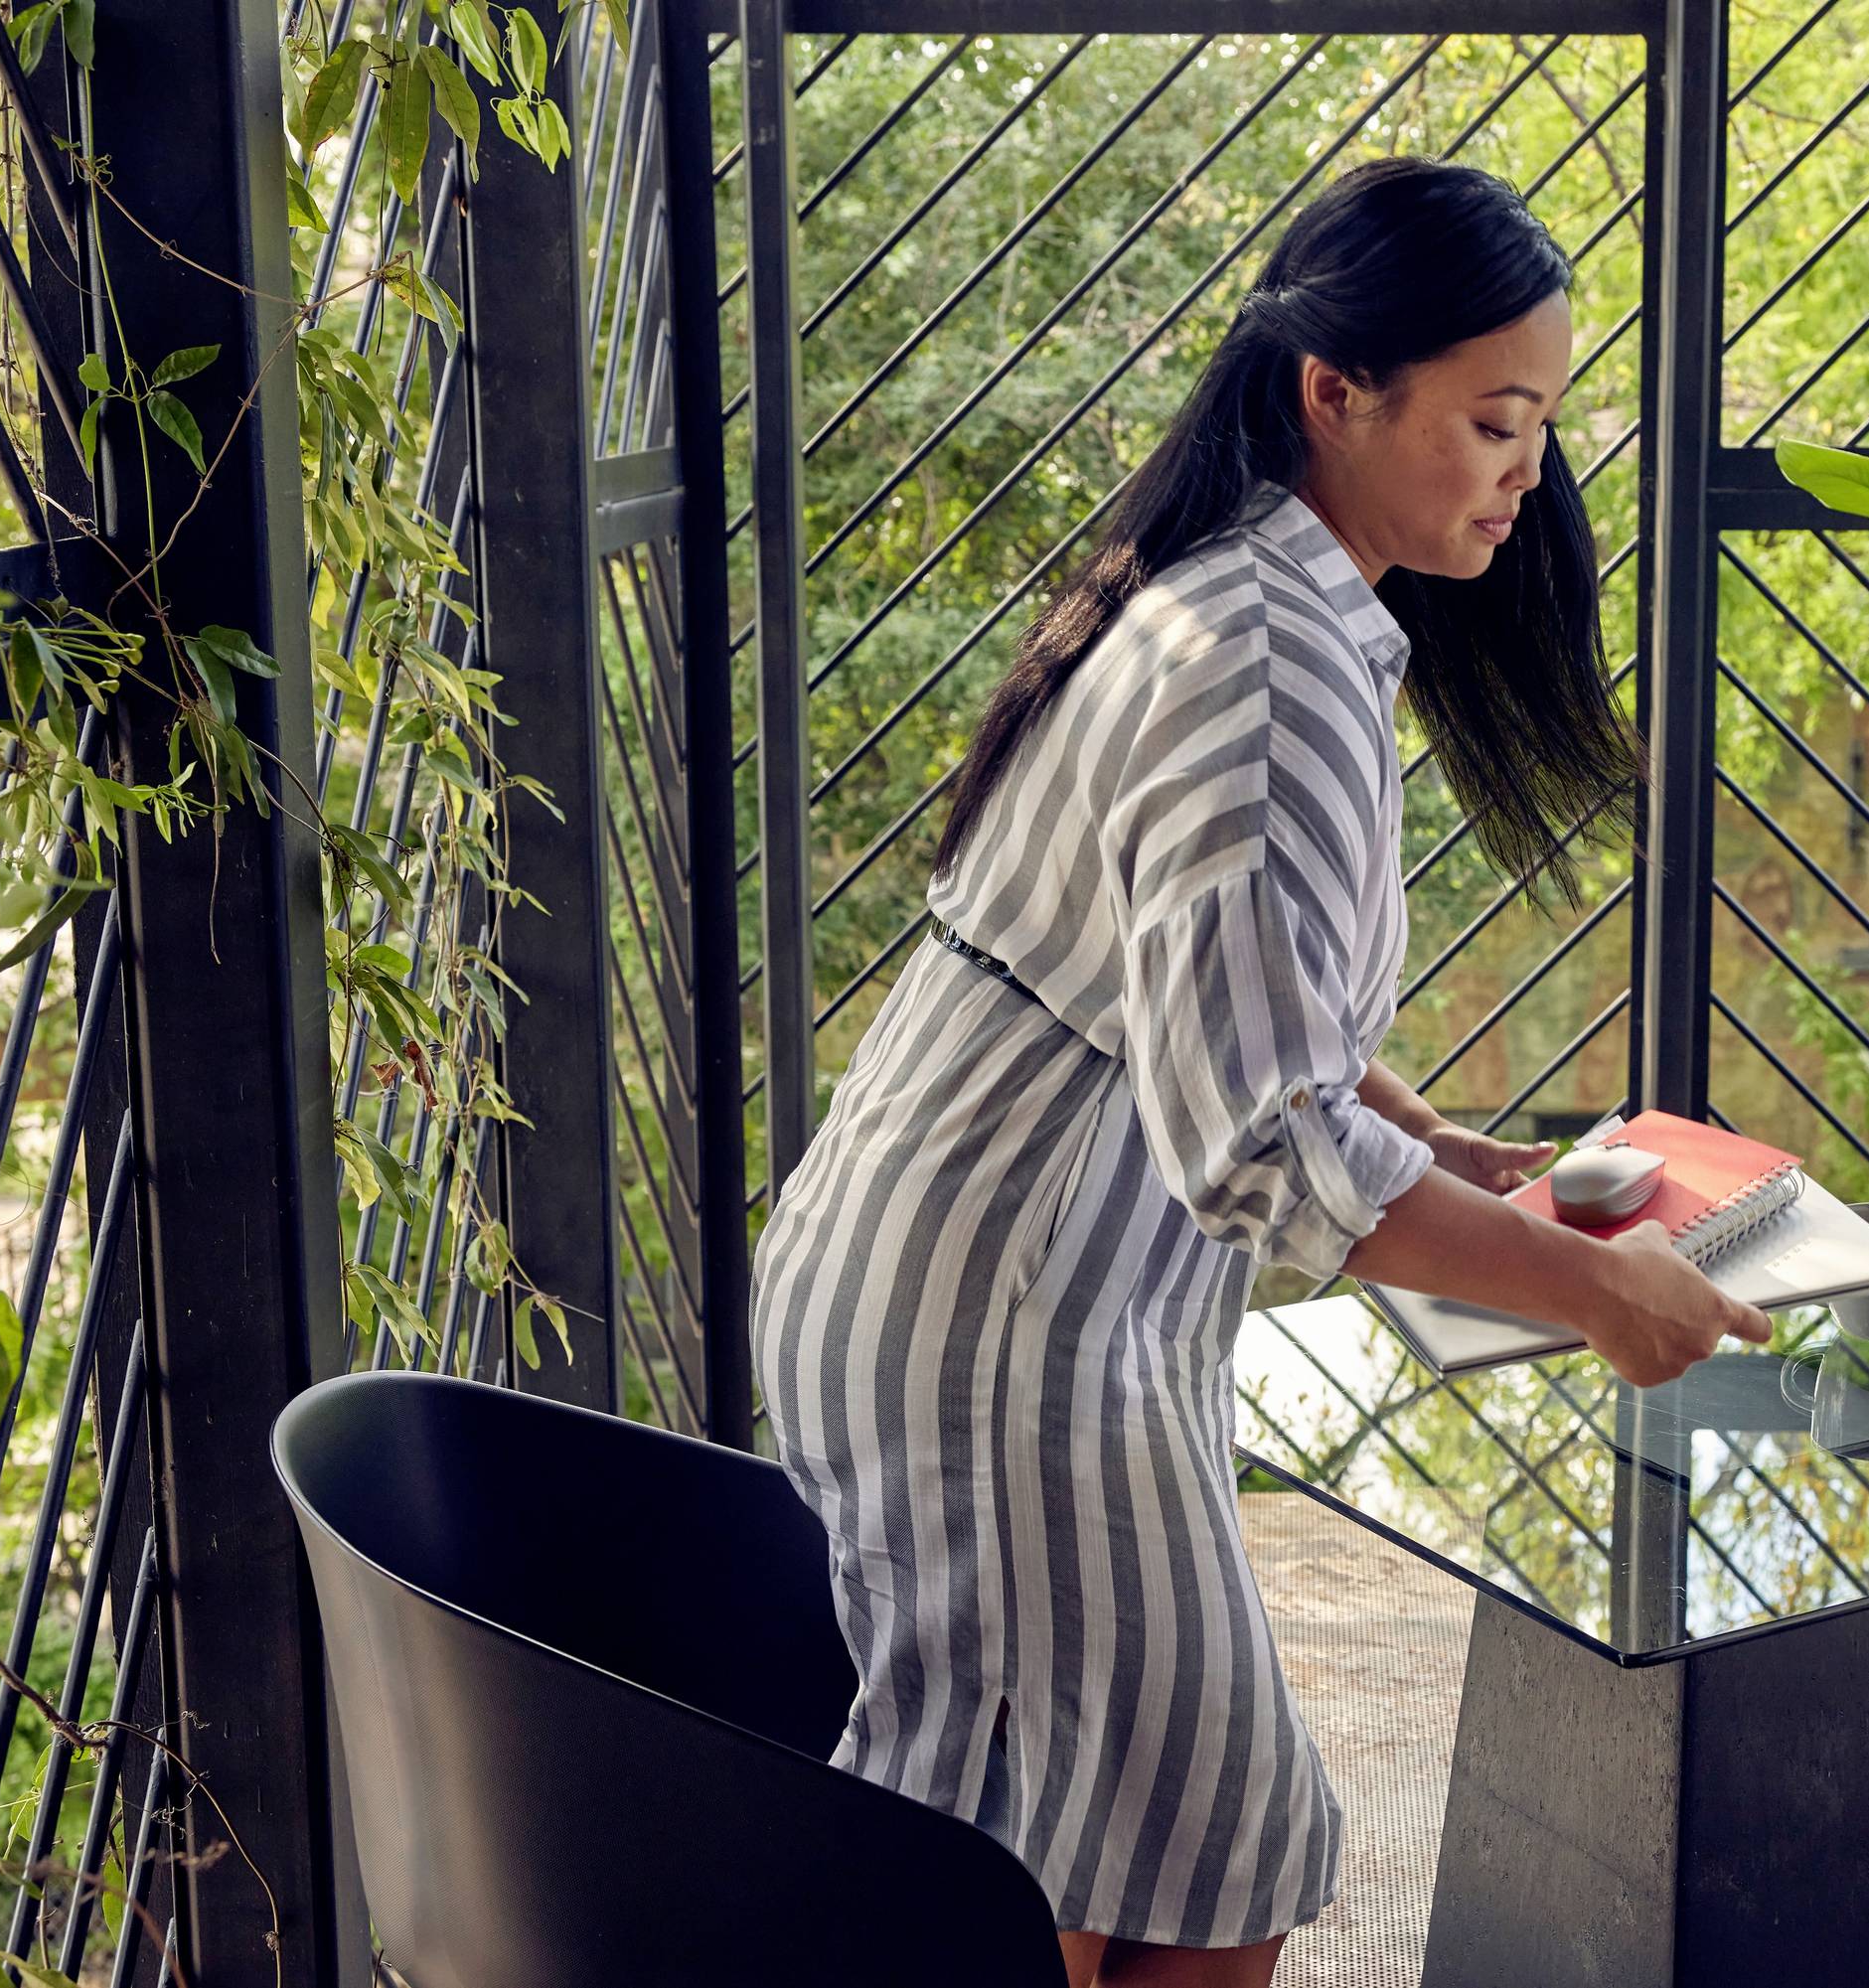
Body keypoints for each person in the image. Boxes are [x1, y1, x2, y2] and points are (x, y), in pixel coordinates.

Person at [750, 157, 1772, 1988]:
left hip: (954, 1282)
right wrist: (1596, 1284)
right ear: (1335, 393)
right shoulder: (1264, 667)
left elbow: (1196, 999)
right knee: (1129, 1857)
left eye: (1541, 420)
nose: (1530, 470)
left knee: (1137, 1838)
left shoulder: (1229, 601)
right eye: (1491, 418)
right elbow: (1259, 1152)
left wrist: (1424, 1129)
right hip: (1006, 1329)